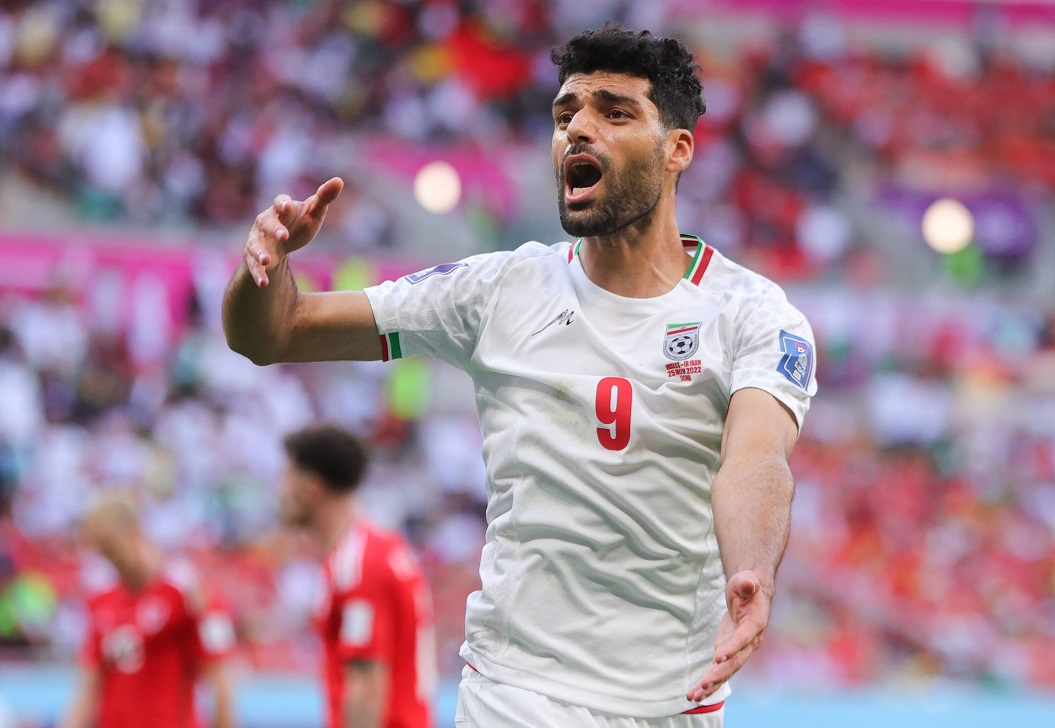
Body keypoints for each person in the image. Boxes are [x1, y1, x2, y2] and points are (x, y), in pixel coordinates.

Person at [223, 24, 816, 727]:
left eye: (615, 113)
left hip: (676, 705)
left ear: (677, 149)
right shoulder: (498, 290)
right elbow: (274, 332)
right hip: (516, 694)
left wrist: (752, 569)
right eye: (566, 115)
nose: (579, 130)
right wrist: (265, 268)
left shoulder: (753, 315)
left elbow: (756, 461)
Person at [279, 423, 435, 728]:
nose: (280, 492)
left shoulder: (359, 564)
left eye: (286, 478)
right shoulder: (376, 549)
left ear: (312, 487)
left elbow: (366, 690)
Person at [60, 495, 236, 728]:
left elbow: (220, 679)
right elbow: (88, 686)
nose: (110, 559)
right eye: (101, 552)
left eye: (111, 547)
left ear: (135, 532)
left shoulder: (188, 591)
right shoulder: (101, 600)